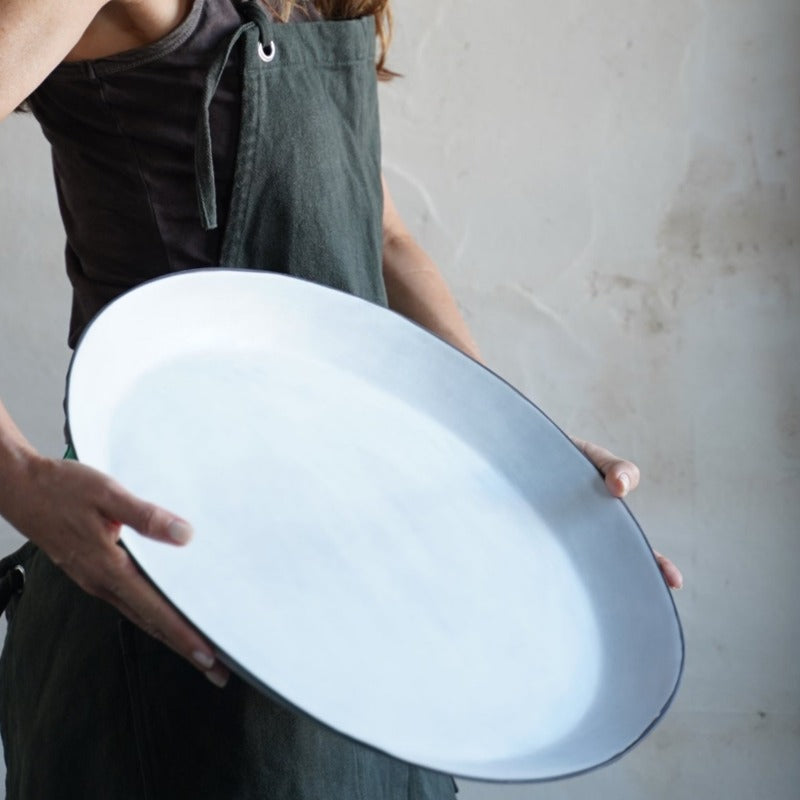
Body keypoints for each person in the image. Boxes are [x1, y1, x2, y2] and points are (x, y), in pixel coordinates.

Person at [0, 0, 683, 797]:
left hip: (351, 568)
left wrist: (510, 449)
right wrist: (19, 478)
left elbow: (385, 237)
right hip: (171, 569)